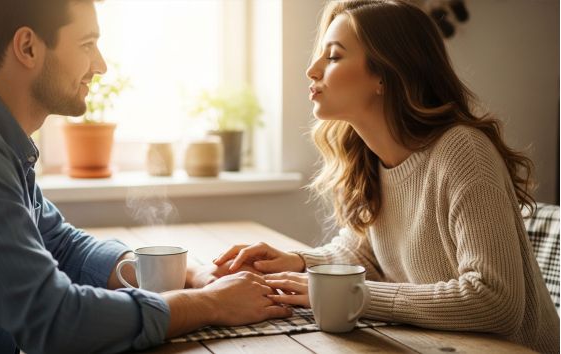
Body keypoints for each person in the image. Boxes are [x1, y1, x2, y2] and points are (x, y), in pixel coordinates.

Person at [0, 1, 290, 353]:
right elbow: (54, 321)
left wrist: (188, 275)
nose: (100, 66)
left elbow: (61, 245)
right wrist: (207, 304)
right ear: (28, 47)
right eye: (87, 45)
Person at [212, 1, 560, 353]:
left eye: (333, 57)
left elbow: (494, 301)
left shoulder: (462, 152)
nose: (312, 70)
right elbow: (366, 256)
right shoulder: (372, 159)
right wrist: (299, 262)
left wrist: (349, 295)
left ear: (385, 75)